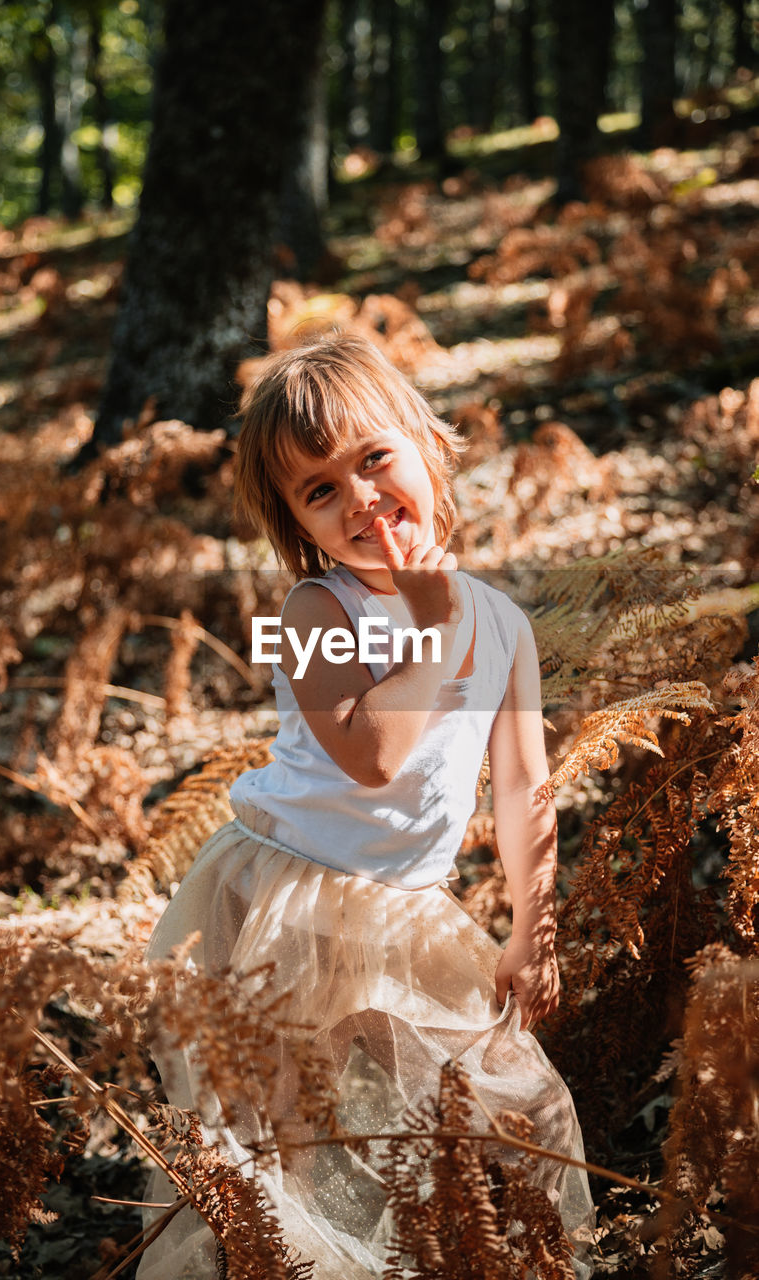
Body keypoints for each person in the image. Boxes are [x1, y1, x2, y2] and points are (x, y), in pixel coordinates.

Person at [139, 332, 593, 1279]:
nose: (359, 500)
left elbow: (520, 785)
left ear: (427, 443)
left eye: (373, 459)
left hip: (403, 912)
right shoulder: (311, 612)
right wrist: (433, 632)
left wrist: (532, 929)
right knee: (293, 1135)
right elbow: (373, 755)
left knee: (509, 1115)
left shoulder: (502, 622)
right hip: (282, 902)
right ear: (298, 525)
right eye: (320, 489)